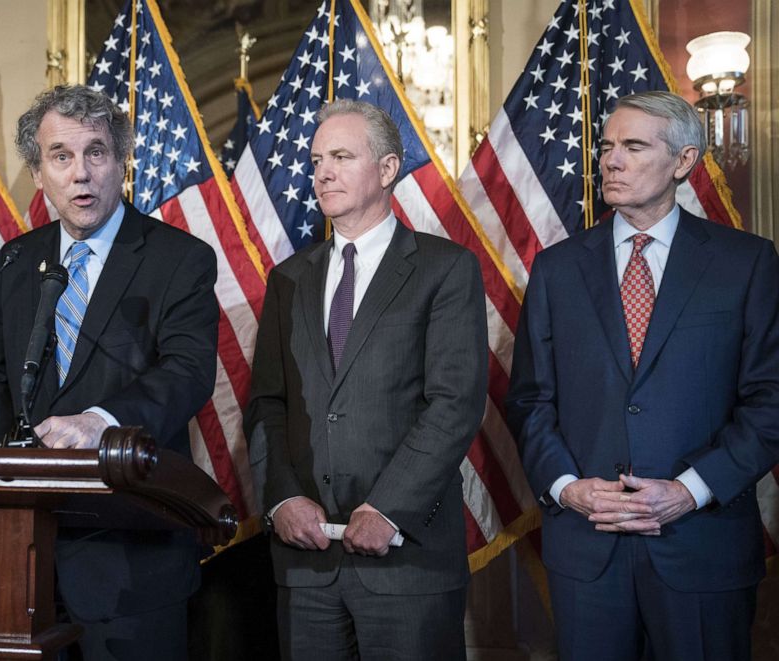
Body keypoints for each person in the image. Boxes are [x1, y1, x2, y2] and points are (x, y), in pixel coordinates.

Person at [507, 90, 779, 660]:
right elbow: (531, 400)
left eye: (633, 146)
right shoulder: (557, 269)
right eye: (607, 147)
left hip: (701, 545)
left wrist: (689, 491)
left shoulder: (746, 262)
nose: (611, 160)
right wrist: (566, 487)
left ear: (683, 162)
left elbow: (770, 400)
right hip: (587, 550)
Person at [0, 84, 218, 660]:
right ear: (38, 174)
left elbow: (187, 372)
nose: (80, 174)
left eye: (96, 153)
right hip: (24, 564)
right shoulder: (14, 261)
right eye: (60, 156)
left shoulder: (178, 258)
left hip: (133, 557)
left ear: (121, 162)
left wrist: (101, 421)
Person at [244, 99, 488, 660]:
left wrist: (388, 509)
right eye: (315, 159)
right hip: (306, 565)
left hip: (407, 560)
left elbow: (454, 403)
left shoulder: (445, 268)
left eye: (341, 156)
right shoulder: (288, 280)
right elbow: (267, 404)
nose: (322, 171)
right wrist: (282, 499)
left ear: (386, 169)